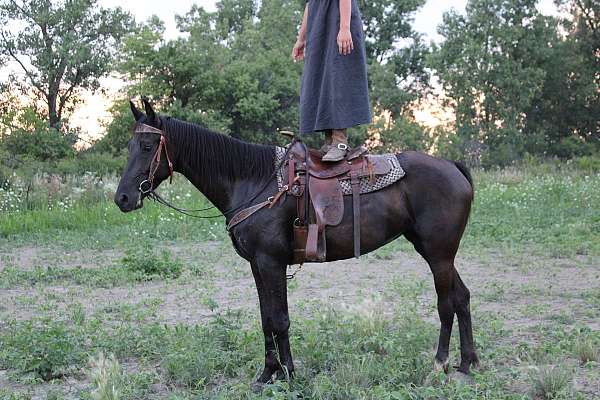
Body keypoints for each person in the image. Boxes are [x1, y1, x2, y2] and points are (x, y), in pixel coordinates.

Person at [292, 0, 371, 162]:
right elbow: (310, 4)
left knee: (338, 76)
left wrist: (344, 28)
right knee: (319, 79)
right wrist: (301, 39)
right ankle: (329, 141)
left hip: (338, 21)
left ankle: (340, 142)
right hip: (319, 26)